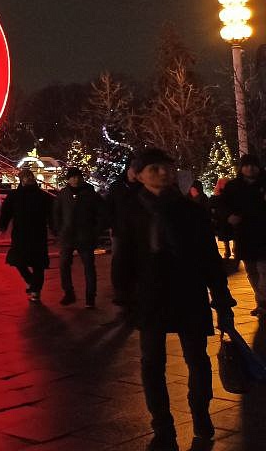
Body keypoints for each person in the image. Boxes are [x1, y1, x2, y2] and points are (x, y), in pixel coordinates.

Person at [115, 148, 235, 450]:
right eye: (153, 168)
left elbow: (209, 258)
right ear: (139, 174)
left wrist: (221, 298)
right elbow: (123, 259)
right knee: (152, 363)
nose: (162, 173)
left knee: (197, 360)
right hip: (151, 297)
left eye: (166, 167)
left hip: (189, 293)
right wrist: (124, 298)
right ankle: (162, 425)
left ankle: (201, 415)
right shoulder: (131, 211)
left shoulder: (190, 210)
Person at [53, 168, 106, 307]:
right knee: (64, 265)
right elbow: (56, 213)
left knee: (88, 266)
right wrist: (59, 229)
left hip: (85, 235)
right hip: (67, 235)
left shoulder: (90, 194)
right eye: (72, 177)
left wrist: (96, 230)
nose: (75, 180)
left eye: (77, 177)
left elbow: (101, 213)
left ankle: (90, 297)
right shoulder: (63, 194)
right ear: (68, 179)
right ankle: (68, 292)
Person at [0, 168, 53, 301]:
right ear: (21, 179)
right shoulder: (14, 196)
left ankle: (35, 290)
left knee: (38, 264)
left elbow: (51, 213)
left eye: (30, 176)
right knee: (18, 260)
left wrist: (54, 227)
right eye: (26, 177)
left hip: (37, 233)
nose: (28, 179)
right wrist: (2, 226)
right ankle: (32, 282)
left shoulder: (42, 196)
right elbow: (6, 212)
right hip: (20, 234)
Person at [223, 153, 266, 317]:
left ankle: (263, 303)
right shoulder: (233, 186)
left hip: (263, 233)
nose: (250, 168)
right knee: (252, 271)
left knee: (264, 270)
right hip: (244, 235)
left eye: (253, 165)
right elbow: (222, 205)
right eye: (246, 165)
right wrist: (229, 216)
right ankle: (261, 302)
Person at [107, 160, 140, 306]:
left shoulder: (141, 187)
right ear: (128, 169)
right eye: (134, 169)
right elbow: (109, 207)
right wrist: (112, 225)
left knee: (135, 260)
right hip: (120, 230)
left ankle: (134, 291)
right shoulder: (116, 186)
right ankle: (120, 292)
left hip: (138, 231)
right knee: (119, 261)